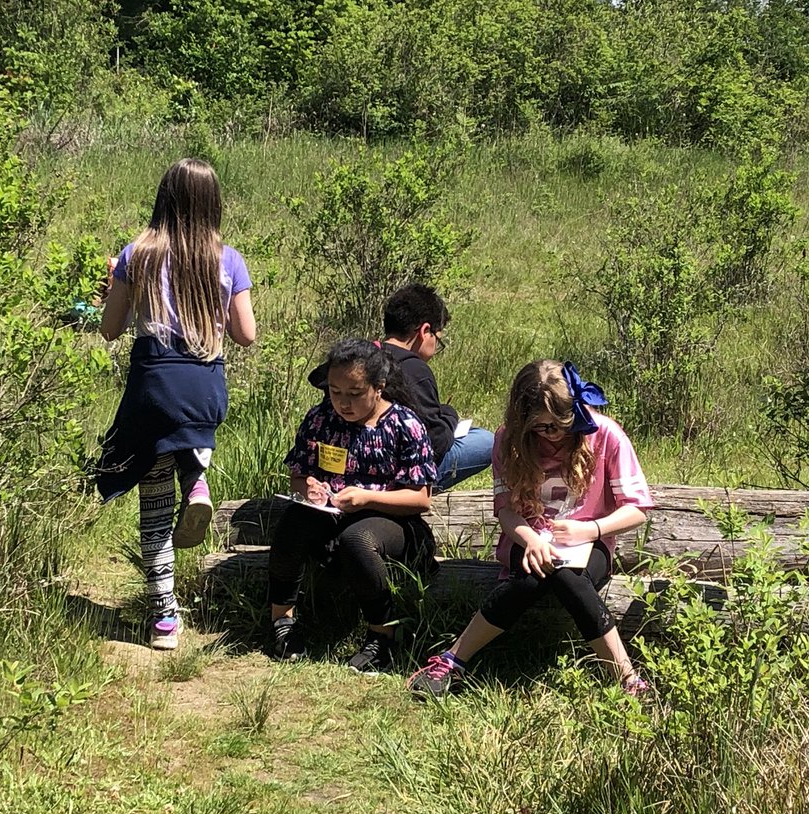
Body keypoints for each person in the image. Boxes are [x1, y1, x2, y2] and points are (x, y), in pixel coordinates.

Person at [407, 359, 652, 697]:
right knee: (530, 578)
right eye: (542, 427)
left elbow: (637, 509)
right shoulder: (508, 440)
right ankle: (452, 661)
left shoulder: (605, 434)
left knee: (567, 576)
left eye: (560, 424)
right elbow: (506, 512)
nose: (554, 435)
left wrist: (590, 530)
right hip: (528, 537)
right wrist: (531, 539)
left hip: (588, 542)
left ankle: (627, 677)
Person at [98, 159, 256, 650]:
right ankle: (197, 480)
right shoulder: (228, 259)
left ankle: (165, 620)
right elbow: (246, 335)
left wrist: (113, 287)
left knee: (153, 507)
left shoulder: (136, 254)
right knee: (188, 439)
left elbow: (110, 329)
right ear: (213, 203)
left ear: (163, 196)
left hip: (153, 384)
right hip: (205, 386)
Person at [269, 339, 438, 674]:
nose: (343, 403)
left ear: (378, 388)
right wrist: (311, 489)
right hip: (331, 514)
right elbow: (299, 475)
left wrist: (366, 498)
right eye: (335, 392)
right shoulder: (320, 418)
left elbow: (420, 498)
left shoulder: (404, 424)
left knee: (358, 540)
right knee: (292, 522)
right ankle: (281, 621)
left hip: (391, 520)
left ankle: (383, 634)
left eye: (354, 393)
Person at [309, 284, 493, 491]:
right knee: (487, 440)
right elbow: (436, 442)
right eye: (437, 340)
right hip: (395, 469)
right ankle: (418, 487)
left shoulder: (358, 360)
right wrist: (450, 415)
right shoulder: (416, 370)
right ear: (425, 331)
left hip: (343, 457)